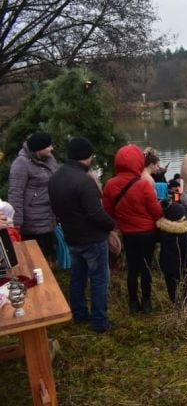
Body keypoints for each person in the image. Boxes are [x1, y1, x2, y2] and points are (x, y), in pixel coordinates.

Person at [48, 137, 115, 333]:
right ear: (87, 157)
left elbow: (55, 208)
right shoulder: (84, 181)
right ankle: (100, 322)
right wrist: (111, 225)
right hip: (92, 239)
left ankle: (79, 314)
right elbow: (96, 213)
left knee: (77, 277)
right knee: (99, 279)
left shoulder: (56, 178)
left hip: (71, 236)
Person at [102, 144, 162, 314]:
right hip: (147, 233)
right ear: (138, 161)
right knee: (146, 267)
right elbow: (156, 212)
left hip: (127, 233)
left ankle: (133, 303)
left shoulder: (110, 184)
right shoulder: (143, 185)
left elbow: (108, 212)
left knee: (132, 268)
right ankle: (147, 302)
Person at [8, 131, 59, 261]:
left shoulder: (50, 159)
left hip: (48, 217)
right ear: (38, 149)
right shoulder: (21, 164)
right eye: (48, 146)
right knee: (35, 260)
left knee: (47, 258)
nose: (51, 149)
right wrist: (16, 224)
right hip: (32, 222)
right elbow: (15, 194)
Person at [157, 199, 187, 306]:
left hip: (166, 264)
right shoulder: (184, 234)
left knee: (171, 286)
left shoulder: (162, 231)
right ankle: (186, 306)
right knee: (184, 286)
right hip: (182, 266)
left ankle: (175, 304)